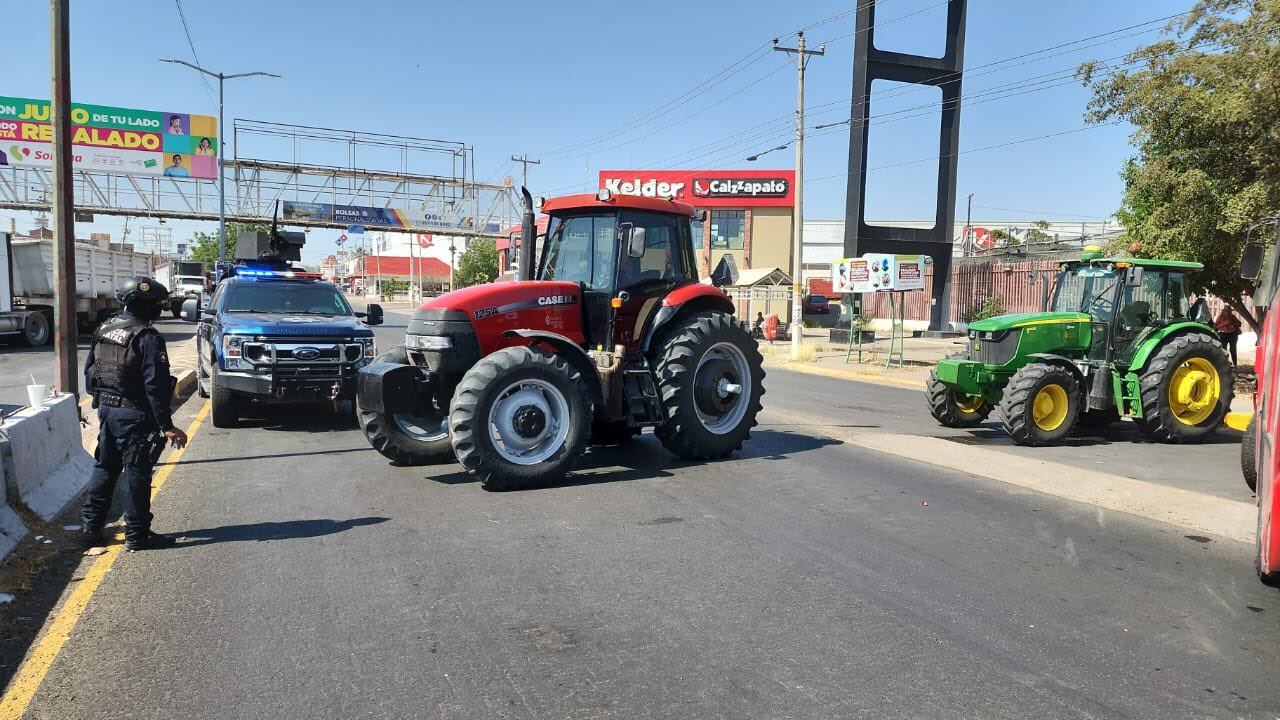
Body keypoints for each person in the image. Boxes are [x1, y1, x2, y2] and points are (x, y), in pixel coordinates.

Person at [82, 277, 188, 551]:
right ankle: (137, 534)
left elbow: (90, 371)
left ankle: (91, 527)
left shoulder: (104, 329)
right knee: (136, 474)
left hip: (107, 411)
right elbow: (156, 386)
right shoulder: (147, 337)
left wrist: (102, 403)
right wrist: (167, 425)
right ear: (149, 306)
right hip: (134, 416)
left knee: (105, 467)